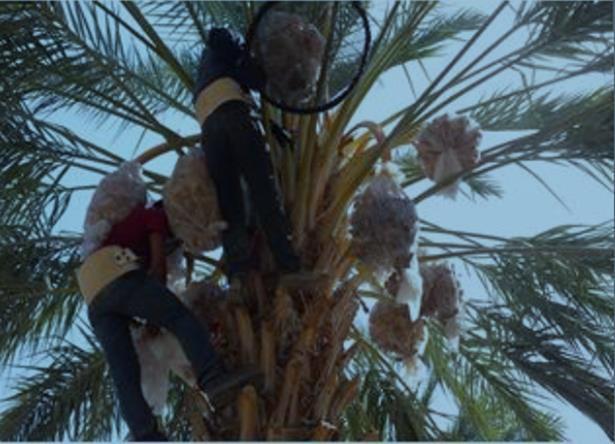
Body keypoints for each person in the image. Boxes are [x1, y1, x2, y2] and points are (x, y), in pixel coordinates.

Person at [77, 201, 254, 441]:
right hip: (117, 275)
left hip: (93, 297)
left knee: (124, 370)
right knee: (179, 317)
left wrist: (150, 317)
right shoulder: (155, 216)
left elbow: (130, 298)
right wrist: (157, 317)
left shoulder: (124, 229)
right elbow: (158, 269)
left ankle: (145, 434)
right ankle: (214, 379)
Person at [193, 28, 303, 284]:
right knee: (263, 188)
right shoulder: (233, 44)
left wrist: (276, 132)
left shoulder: (211, 67)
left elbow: (244, 93)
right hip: (232, 112)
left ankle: (238, 275)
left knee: (230, 203)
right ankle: (289, 265)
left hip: (208, 123)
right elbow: (219, 38)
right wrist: (250, 62)